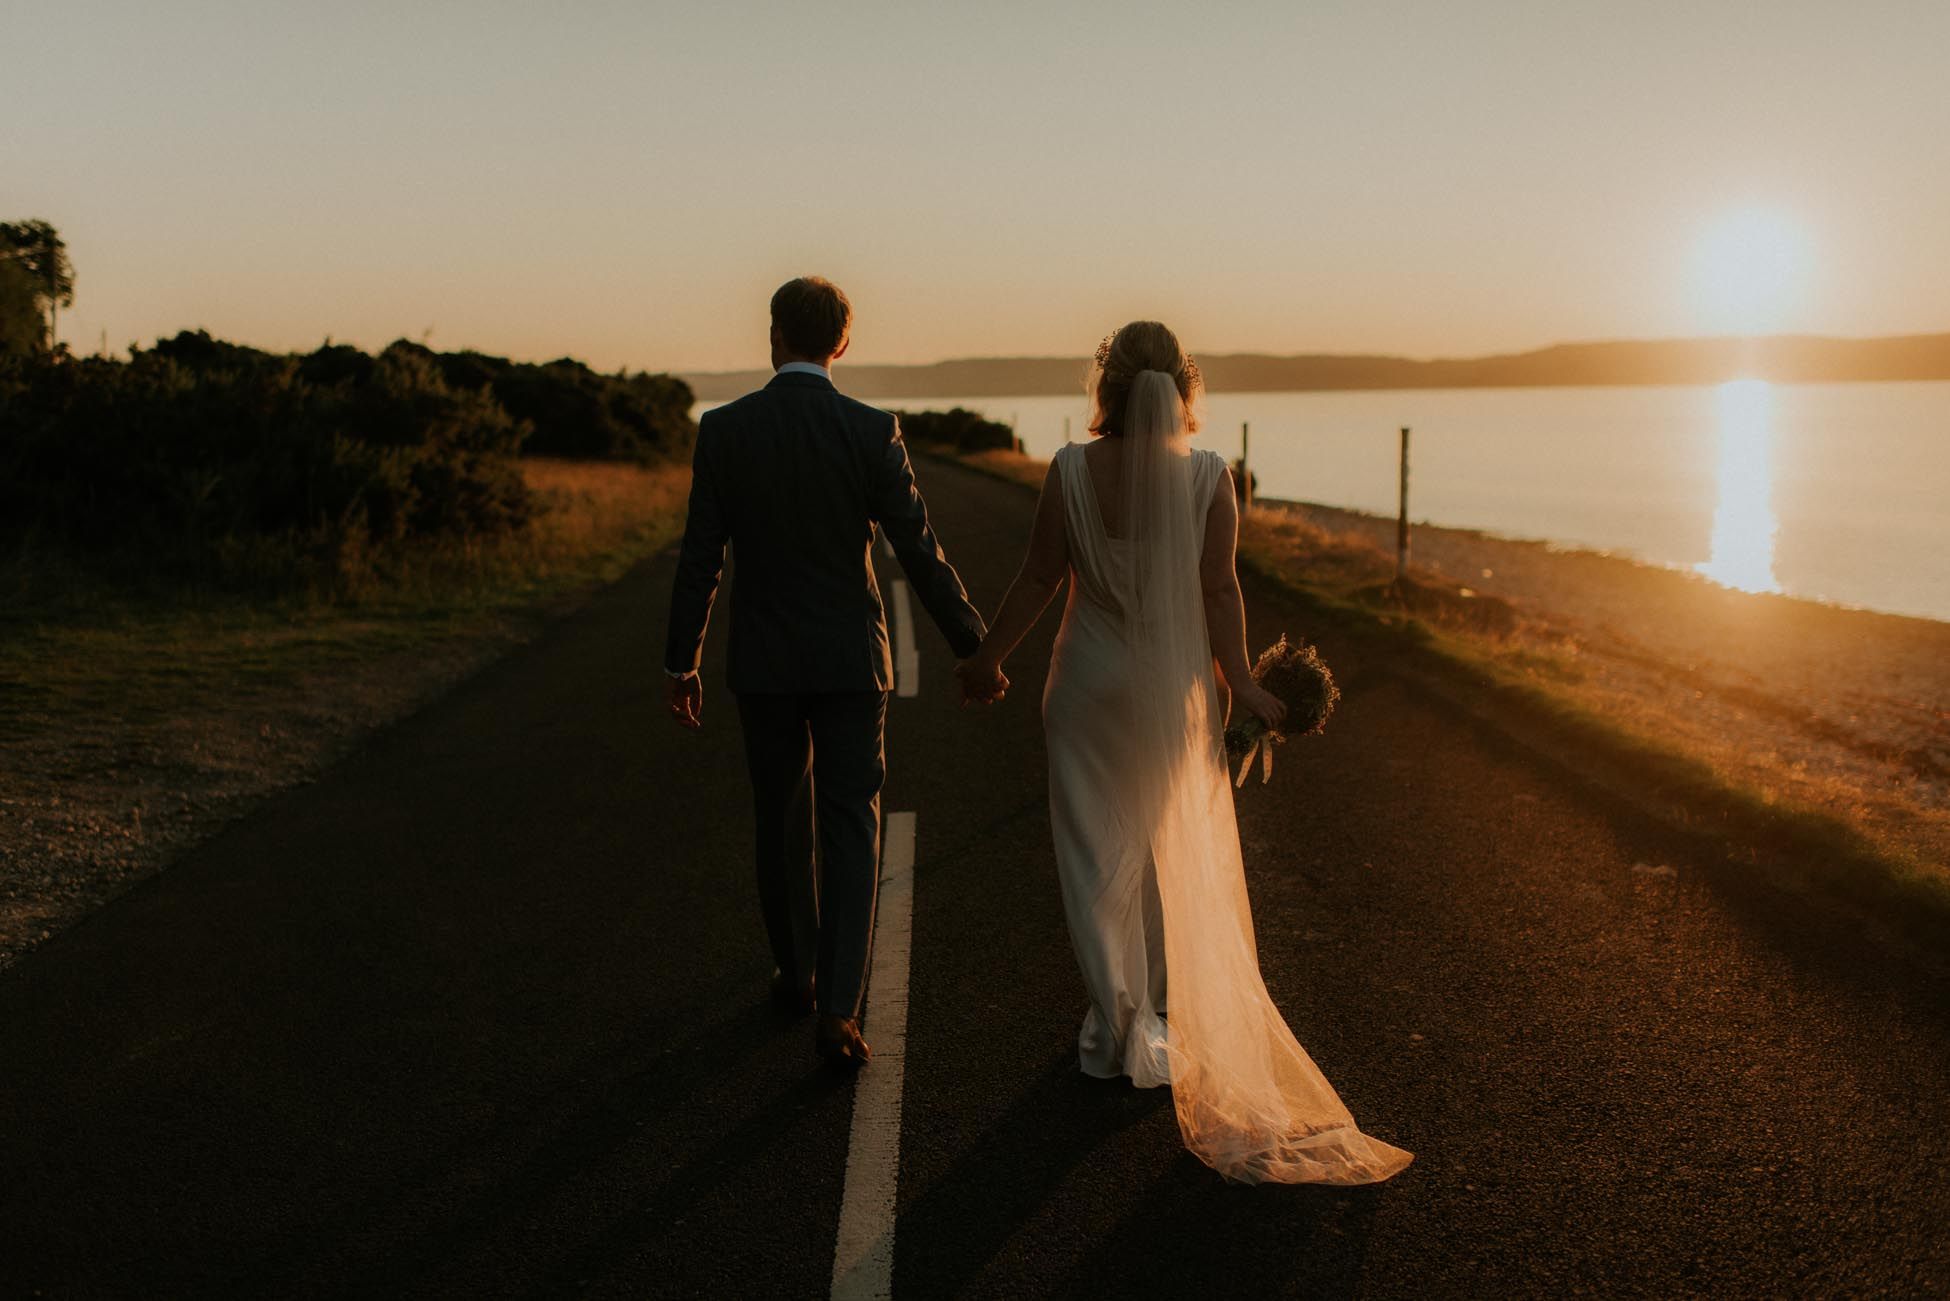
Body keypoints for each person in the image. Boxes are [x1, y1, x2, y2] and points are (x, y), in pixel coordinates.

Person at [954, 321, 1412, 1184]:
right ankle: (1152, 1020)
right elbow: (1218, 588)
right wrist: (1241, 682)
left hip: (1087, 685)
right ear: (1184, 388)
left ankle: (1114, 1030)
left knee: (1095, 859)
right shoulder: (1208, 476)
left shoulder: (1066, 469)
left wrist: (989, 657)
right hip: (1171, 692)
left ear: (1109, 385)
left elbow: (1039, 578)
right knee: (1166, 854)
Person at [663, 276, 994, 1066]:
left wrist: (683, 660)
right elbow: (918, 547)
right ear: (842, 344)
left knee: (779, 818)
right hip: (852, 660)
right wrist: (973, 644)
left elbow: (701, 559)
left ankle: (797, 970)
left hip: (765, 664)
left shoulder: (725, 430)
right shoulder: (871, 429)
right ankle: (841, 1009)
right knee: (851, 822)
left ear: (772, 335)